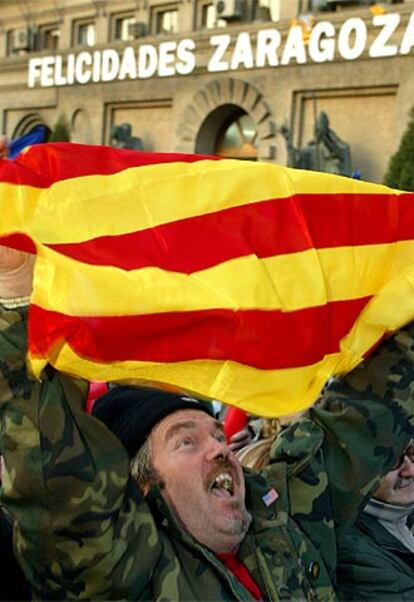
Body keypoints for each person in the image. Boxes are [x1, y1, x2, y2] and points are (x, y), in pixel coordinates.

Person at [0, 138, 413, 598]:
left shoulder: (289, 514)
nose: (219, 450)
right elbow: (57, 476)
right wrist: (15, 302)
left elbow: (370, 413)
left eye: (217, 435)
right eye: (185, 441)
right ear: (141, 482)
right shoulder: (128, 572)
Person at [336, 441, 414, 600]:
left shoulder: (399, 516)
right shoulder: (354, 557)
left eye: (412, 454)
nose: (410, 471)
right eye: (391, 461)